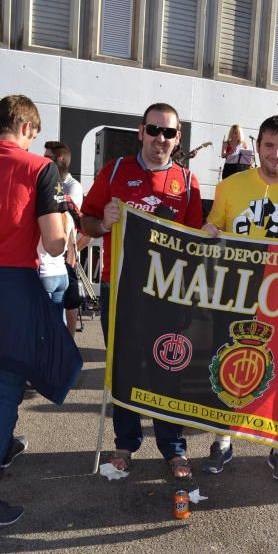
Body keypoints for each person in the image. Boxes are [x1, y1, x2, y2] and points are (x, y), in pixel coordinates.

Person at [81, 102, 203, 479]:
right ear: (141, 131)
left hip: (166, 291)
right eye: (154, 130)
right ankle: (125, 443)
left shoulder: (187, 181)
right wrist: (103, 222)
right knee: (123, 366)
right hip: (119, 286)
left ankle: (173, 447)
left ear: (178, 138)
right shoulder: (115, 170)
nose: (160, 139)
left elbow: (195, 241)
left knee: (169, 366)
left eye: (169, 133)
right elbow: (86, 218)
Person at [202, 115, 278, 480]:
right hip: (234, 295)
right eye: (269, 145)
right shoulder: (230, 186)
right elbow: (214, 226)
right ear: (258, 148)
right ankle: (222, 440)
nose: (275, 154)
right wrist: (208, 230)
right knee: (228, 366)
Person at [0, 95, 70, 526]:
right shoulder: (38, 168)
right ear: (26, 127)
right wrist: (66, 229)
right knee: (6, 387)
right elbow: (53, 243)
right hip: (12, 285)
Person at [43, 142, 86, 336]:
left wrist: (74, 251)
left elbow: (70, 220)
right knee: (57, 313)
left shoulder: (72, 187)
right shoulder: (53, 185)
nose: (43, 160)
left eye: (47, 157)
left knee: (69, 303)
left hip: (62, 259)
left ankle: (69, 343)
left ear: (59, 159)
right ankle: (64, 349)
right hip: (55, 263)